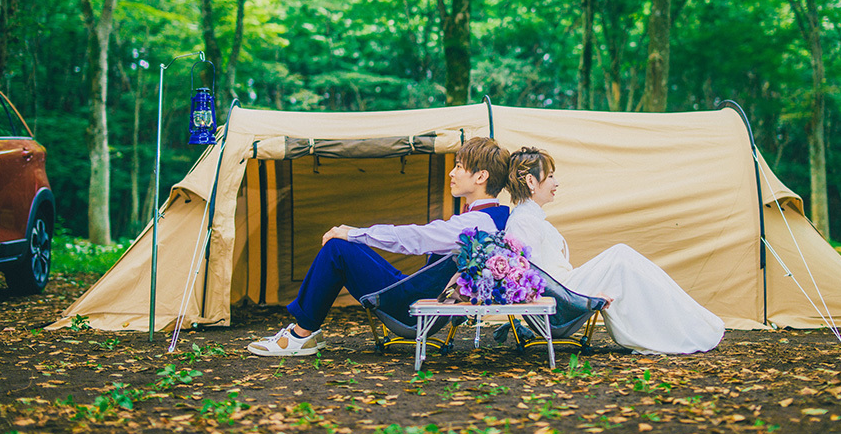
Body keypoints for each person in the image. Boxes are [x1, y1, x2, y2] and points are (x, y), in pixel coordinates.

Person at [247, 136, 511, 357]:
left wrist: (355, 233)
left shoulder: (477, 223)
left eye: (459, 166)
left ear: (481, 177)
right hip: (418, 289)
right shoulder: (497, 217)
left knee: (337, 249)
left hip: (413, 304)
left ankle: (301, 334)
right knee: (343, 245)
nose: (452, 173)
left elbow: (414, 238)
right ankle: (307, 332)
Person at [505, 146, 725, 354]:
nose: (557, 182)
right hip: (560, 302)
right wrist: (584, 297)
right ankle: (679, 327)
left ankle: (685, 321)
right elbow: (533, 281)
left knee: (624, 258)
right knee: (620, 256)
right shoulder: (523, 221)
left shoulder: (531, 218)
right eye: (550, 175)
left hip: (565, 289)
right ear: (531, 181)